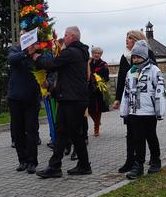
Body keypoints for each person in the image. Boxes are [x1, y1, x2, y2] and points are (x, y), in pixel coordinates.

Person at [33, 26, 91, 178]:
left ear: (72, 36)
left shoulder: (71, 52)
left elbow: (52, 63)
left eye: (66, 35)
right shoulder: (78, 52)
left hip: (73, 99)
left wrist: (36, 57)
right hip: (70, 98)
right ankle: (60, 166)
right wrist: (52, 89)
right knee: (65, 133)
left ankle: (77, 165)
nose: (64, 38)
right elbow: (66, 76)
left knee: (72, 133)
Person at [120, 40, 166, 179]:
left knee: (151, 136)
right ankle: (138, 165)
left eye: (138, 57)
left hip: (149, 112)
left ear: (145, 57)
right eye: (134, 57)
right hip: (135, 112)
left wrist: (160, 111)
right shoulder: (130, 72)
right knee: (137, 139)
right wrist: (124, 110)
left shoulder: (154, 71)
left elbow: (160, 91)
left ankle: (155, 160)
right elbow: (126, 92)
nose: (136, 59)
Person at [112, 30, 157, 173]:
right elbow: (122, 80)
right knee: (131, 133)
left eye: (130, 38)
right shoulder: (125, 57)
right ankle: (130, 160)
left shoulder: (147, 55)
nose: (127, 40)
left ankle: (154, 159)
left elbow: (154, 79)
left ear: (137, 40)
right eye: (126, 38)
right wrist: (118, 98)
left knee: (149, 134)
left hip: (146, 104)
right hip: (131, 103)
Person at [7, 38, 41, 174]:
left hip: (32, 98)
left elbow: (47, 69)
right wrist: (27, 52)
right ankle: (23, 160)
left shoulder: (39, 52)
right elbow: (11, 60)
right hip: (15, 97)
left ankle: (32, 162)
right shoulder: (15, 50)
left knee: (31, 130)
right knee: (18, 131)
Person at [88, 46, 109, 137]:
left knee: (98, 109)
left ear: (101, 54)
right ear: (92, 54)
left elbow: (106, 77)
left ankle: (96, 128)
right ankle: (96, 121)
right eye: (95, 53)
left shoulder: (103, 64)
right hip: (88, 88)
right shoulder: (88, 63)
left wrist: (100, 82)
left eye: (98, 53)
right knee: (89, 109)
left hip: (99, 89)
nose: (96, 55)